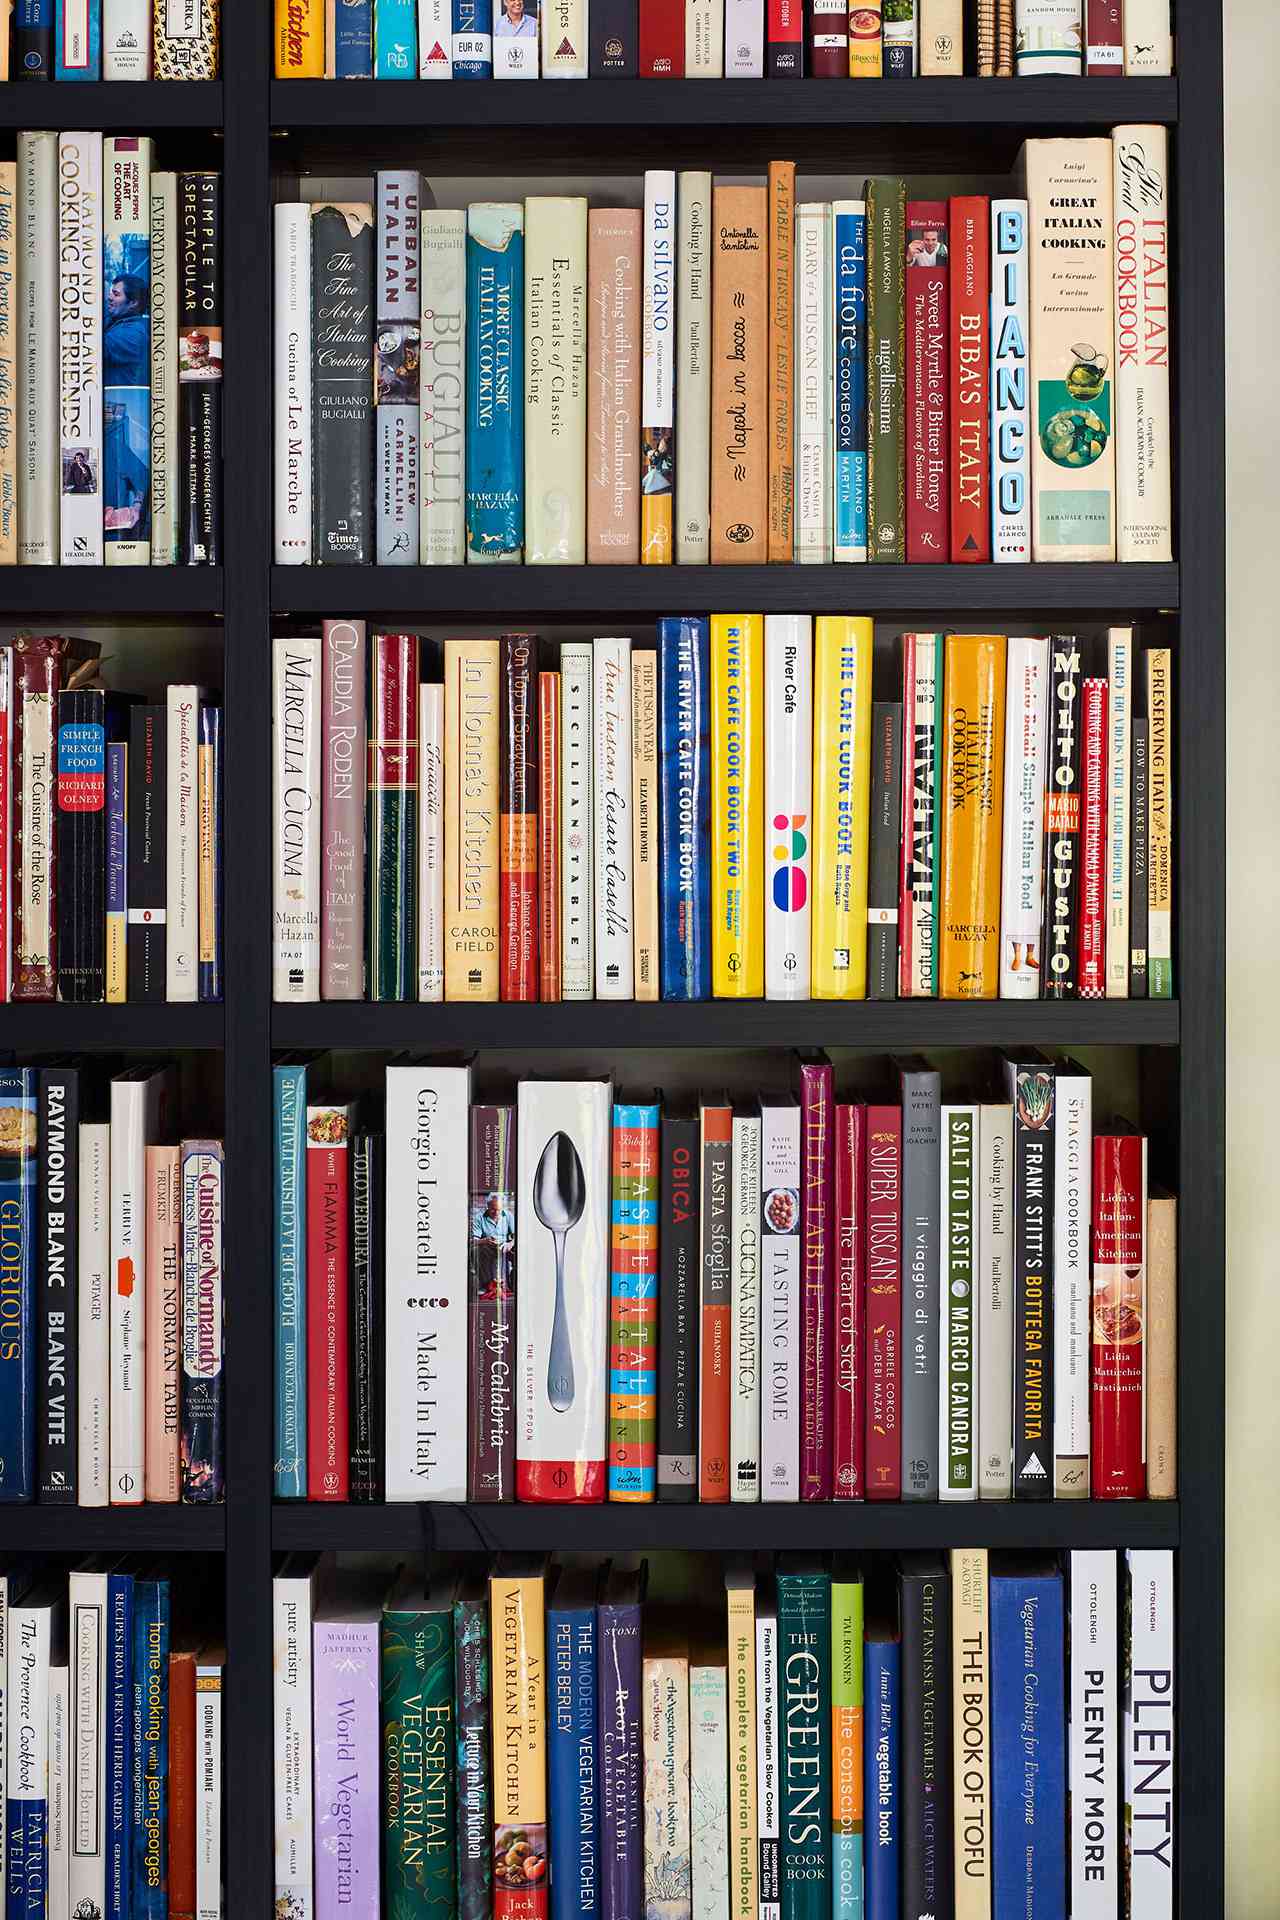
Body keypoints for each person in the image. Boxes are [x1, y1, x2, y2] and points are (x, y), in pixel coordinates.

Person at [104, 274, 150, 386]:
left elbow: (95, 348)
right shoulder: (114, 321)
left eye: (116, 294)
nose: (109, 297)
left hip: (116, 400)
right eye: (111, 292)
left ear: (133, 303)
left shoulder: (134, 333)